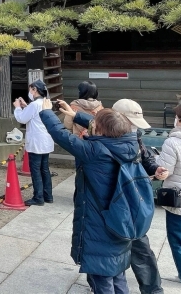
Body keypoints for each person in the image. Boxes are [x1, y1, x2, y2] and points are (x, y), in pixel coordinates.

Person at [59, 98, 166, 294]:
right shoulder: (103, 131)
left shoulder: (130, 135)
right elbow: (92, 123)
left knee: (140, 251)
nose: (134, 128)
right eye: (131, 123)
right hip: (105, 202)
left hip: (127, 204)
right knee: (101, 251)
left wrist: (154, 167)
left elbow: (145, 156)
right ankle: (98, 281)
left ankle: (152, 290)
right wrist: (75, 115)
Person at [40, 102, 146, 294]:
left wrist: (46, 111)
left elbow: (61, 135)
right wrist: (76, 114)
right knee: (117, 273)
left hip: (100, 225)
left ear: (99, 128)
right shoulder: (130, 143)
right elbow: (106, 125)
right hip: (121, 221)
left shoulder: (95, 152)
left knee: (102, 280)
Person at [155, 102, 181, 292]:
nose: (175, 120)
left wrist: (155, 161)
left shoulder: (173, 142)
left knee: (180, 242)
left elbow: (164, 171)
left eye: (177, 117)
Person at [13, 80, 54, 206]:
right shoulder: (46, 103)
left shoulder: (34, 105)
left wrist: (18, 107)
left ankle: (38, 197)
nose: (30, 92)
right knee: (44, 169)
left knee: (36, 169)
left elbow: (22, 118)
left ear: (35, 89)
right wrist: (25, 106)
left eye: (31, 89)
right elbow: (33, 115)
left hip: (37, 141)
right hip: (46, 140)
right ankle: (48, 195)